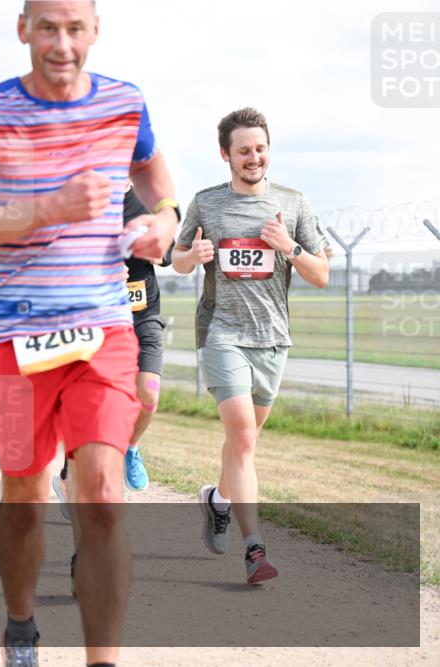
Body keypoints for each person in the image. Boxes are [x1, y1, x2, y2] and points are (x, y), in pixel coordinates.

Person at [0, 2, 179, 664]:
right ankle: (20, 624)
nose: (62, 42)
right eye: (48, 27)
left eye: (75, 27)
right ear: (24, 31)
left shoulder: (127, 103)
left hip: (100, 332)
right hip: (9, 340)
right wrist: (46, 208)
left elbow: (154, 174)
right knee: (23, 494)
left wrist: (167, 218)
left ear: (95, 32)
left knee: (101, 495)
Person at [172, 107, 329, 584]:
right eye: (243, 150)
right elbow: (177, 259)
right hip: (221, 333)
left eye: (260, 148)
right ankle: (255, 550)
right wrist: (192, 257)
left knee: (245, 442)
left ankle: (218, 500)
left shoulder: (294, 204)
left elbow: (320, 275)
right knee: (241, 437)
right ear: (226, 155)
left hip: (272, 339)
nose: (253, 157)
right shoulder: (206, 203)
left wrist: (290, 247)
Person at [53, 184, 175, 518]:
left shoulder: (147, 200)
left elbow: (168, 251)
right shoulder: (76, 199)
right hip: (92, 320)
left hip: (142, 316)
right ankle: (68, 478)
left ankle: (131, 447)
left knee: (148, 393)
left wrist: (154, 245)